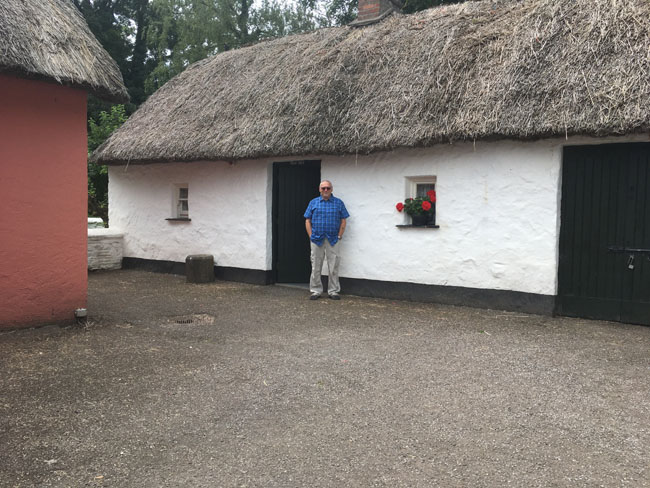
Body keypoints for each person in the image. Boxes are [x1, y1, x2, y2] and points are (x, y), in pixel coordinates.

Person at [304, 180, 350, 300]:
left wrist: (339, 235)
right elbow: (307, 220)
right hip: (316, 239)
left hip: (333, 239)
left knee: (334, 265)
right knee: (315, 265)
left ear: (331, 189)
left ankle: (333, 291)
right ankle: (315, 290)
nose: (325, 190)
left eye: (328, 188)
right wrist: (311, 236)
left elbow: (343, 220)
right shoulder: (313, 202)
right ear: (319, 189)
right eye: (323, 188)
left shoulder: (338, 203)